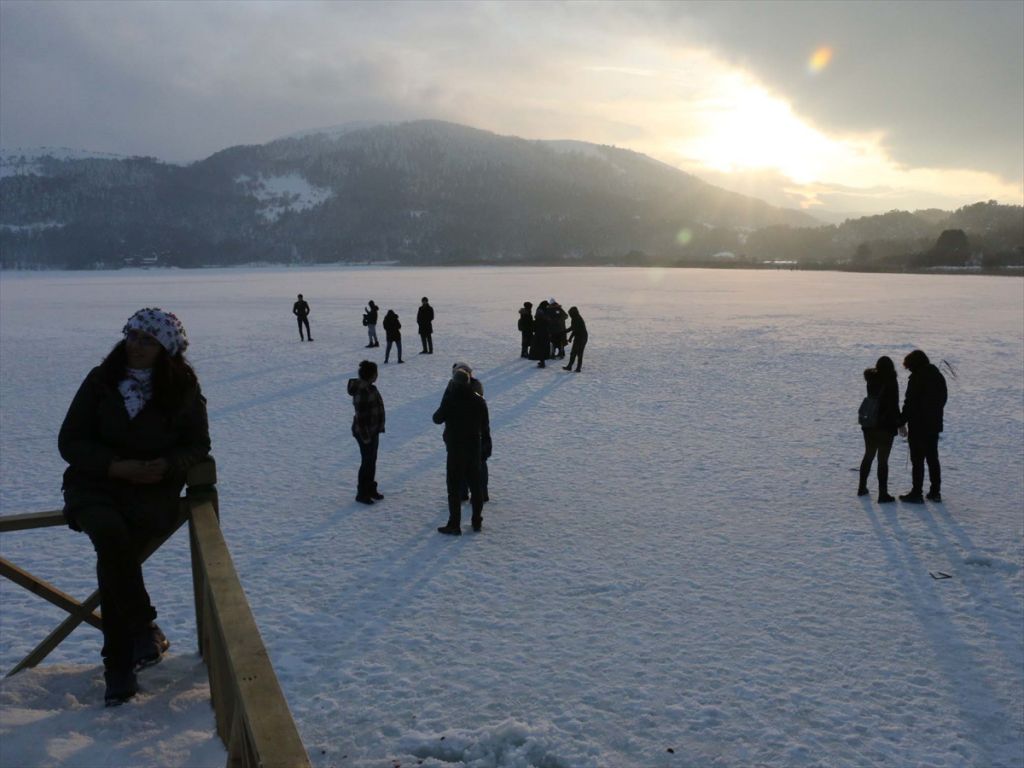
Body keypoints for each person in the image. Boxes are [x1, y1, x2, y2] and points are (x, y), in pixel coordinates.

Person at [58, 308, 210, 706]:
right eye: (132, 335)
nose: (135, 345)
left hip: (149, 493)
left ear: (166, 349)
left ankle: (120, 666)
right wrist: (114, 466)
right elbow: (70, 441)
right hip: (94, 486)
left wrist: (168, 465)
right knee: (110, 535)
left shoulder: (183, 388)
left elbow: (197, 446)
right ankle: (138, 633)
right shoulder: (101, 380)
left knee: (115, 561)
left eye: (147, 340)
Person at [432, 367, 490, 534]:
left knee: (454, 487)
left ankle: (454, 524)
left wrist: (446, 397)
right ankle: (477, 521)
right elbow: (485, 426)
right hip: (474, 448)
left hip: (455, 448)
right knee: (476, 486)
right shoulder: (479, 401)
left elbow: (436, 418)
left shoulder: (451, 400)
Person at [898, 349, 948, 503]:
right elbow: (943, 399)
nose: (909, 370)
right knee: (933, 458)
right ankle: (935, 492)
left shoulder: (916, 378)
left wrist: (901, 422)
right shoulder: (938, 376)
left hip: (919, 425)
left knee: (917, 459)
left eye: (909, 367)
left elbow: (910, 403)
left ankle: (916, 492)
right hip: (933, 424)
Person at [858, 356, 900, 502]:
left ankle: (861, 487)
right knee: (883, 460)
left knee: (868, 455)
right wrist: (900, 424)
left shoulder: (871, 380)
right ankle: (883, 494)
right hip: (885, 426)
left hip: (869, 424)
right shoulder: (891, 381)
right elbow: (894, 405)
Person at [347, 360, 386, 504]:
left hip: (373, 431)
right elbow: (361, 419)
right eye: (376, 373)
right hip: (365, 433)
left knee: (371, 460)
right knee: (367, 461)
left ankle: (370, 488)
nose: (377, 376)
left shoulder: (370, 388)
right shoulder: (362, 392)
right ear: (371, 375)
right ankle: (362, 493)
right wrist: (366, 437)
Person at [451, 362, 490, 504]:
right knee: (476, 465)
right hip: (477, 434)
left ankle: (475, 492)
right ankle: (475, 492)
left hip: (470, 436)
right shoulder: (475, 389)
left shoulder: (462, 391)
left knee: (472, 465)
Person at [562, 306, 588, 373]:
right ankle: (570, 366)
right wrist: (566, 333)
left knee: (578, 352)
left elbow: (574, 329)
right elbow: (573, 328)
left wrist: (568, 336)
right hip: (580, 336)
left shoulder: (577, 319)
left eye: (570, 314)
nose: (570, 315)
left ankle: (577, 368)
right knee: (575, 352)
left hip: (581, 337)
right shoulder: (576, 318)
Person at [531, 300, 551, 368]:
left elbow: (534, 326)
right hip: (545, 333)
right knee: (544, 348)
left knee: (540, 348)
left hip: (539, 334)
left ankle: (542, 362)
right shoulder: (546, 314)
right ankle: (542, 361)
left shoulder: (540, 314)